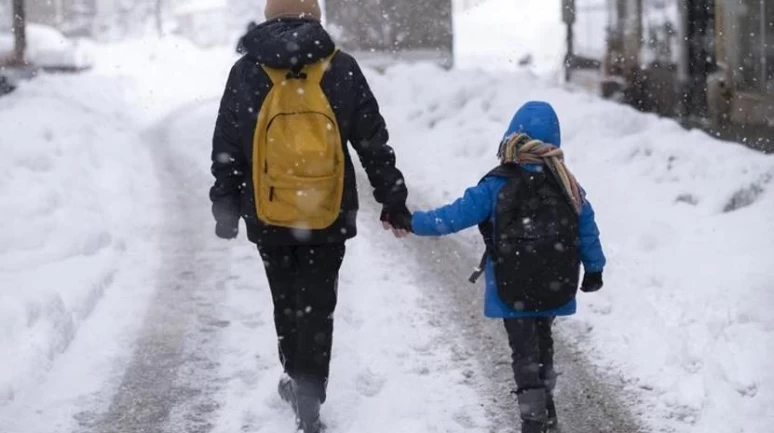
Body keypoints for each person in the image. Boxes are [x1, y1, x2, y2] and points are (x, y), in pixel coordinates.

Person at [209, 1, 412, 432]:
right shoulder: (341, 67)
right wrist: (391, 197)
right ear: (315, 15)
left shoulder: (246, 71)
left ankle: (294, 373)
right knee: (318, 305)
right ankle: (309, 393)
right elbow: (372, 140)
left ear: (268, 15)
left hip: (269, 210)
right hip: (328, 209)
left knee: (285, 301)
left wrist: (225, 204)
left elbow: (227, 144)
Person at [408, 101, 606, 433]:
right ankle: (547, 409)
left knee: (524, 352)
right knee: (543, 343)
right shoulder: (566, 184)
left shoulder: (496, 184)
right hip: (554, 284)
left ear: (512, 135)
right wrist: (595, 269)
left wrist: (413, 222)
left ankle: (533, 418)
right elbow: (587, 226)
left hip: (511, 288)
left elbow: (453, 217)